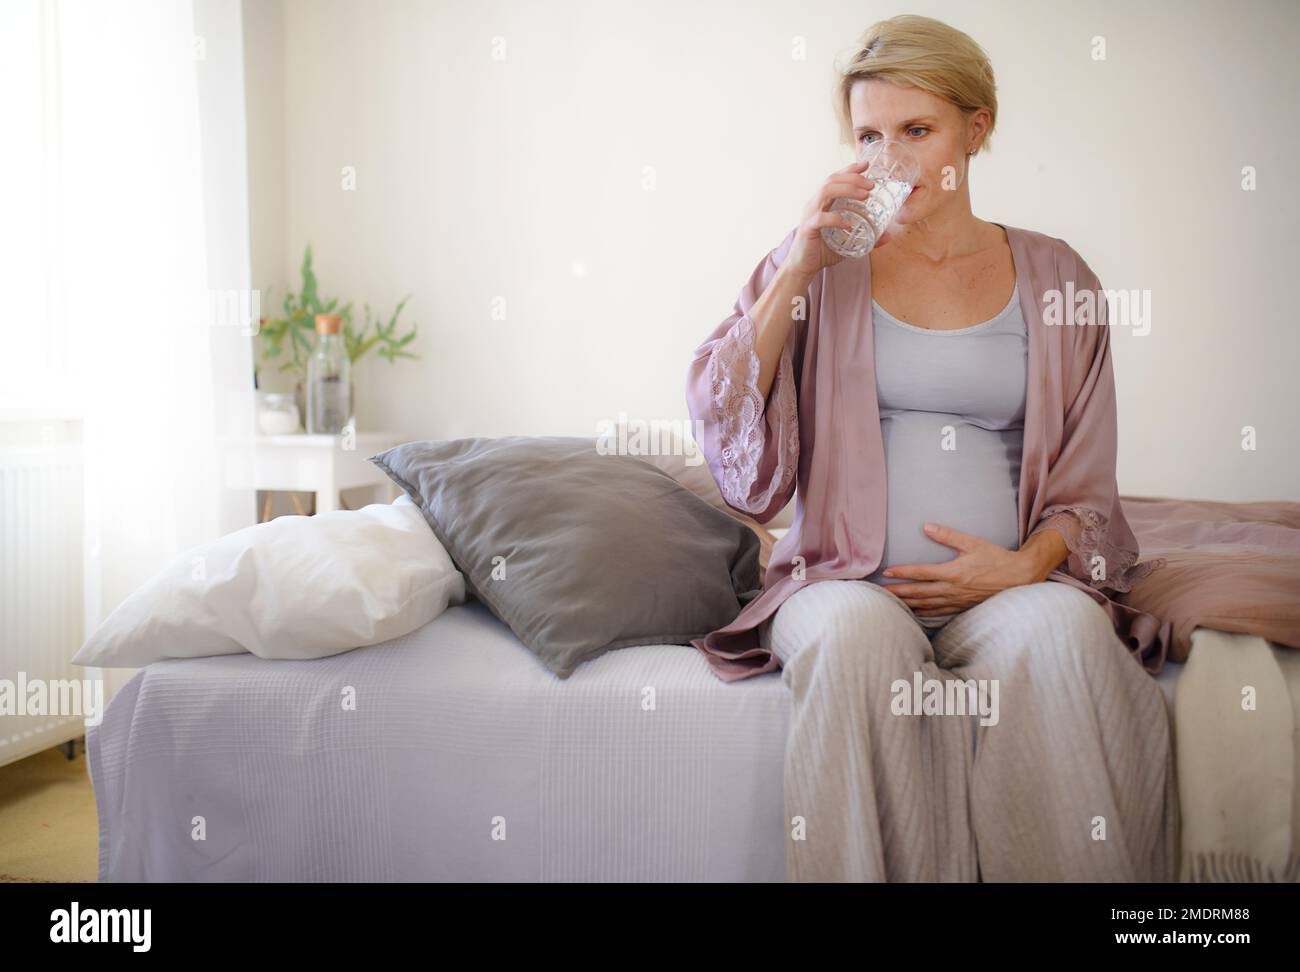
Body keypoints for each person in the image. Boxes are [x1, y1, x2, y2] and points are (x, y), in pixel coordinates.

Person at [684, 14, 1177, 882]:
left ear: (976, 129)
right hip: (845, 581)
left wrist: (1027, 567)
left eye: (918, 131)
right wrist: (798, 267)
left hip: (1003, 589)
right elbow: (728, 432)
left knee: (1065, 636)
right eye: (870, 136)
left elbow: (1091, 489)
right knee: (852, 645)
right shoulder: (818, 264)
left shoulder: (1060, 278)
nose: (893, 159)